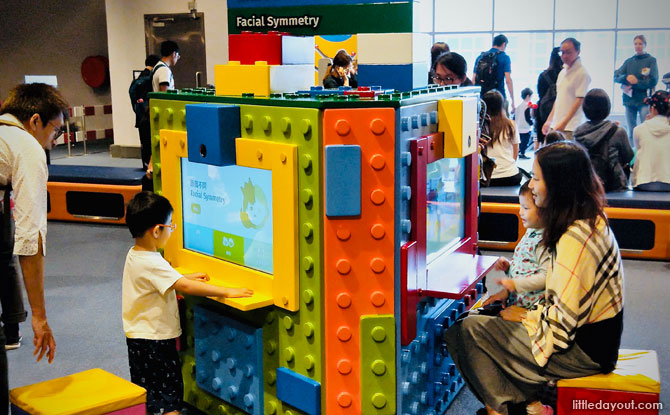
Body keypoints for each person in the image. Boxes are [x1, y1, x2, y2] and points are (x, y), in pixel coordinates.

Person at [444, 141, 624, 415]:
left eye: (537, 179)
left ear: (557, 185)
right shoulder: (589, 218)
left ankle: (505, 407)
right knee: (483, 323)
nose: (532, 186)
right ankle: (515, 405)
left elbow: (563, 328)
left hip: (584, 352)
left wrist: (526, 317)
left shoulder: (574, 239)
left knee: (466, 331)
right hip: (599, 342)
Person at [123, 191, 253, 415]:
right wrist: (227, 291)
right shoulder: (153, 262)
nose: (171, 230)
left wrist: (183, 277)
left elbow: (164, 280)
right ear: (156, 231)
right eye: (170, 226)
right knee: (169, 398)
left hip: (138, 341)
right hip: (156, 342)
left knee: (152, 396)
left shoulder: (136, 254)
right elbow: (186, 287)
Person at [0, 83, 66, 413]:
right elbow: (30, 238)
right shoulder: (26, 145)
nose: (55, 141)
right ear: (36, 121)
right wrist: (39, 317)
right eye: (56, 131)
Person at [486, 181, 549, 309]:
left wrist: (515, 284)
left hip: (530, 311)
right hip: (516, 302)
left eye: (526, 208)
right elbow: (528, 265)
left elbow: (546, 277)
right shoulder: (531, 231)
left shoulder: (545, 241)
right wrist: (509, 266)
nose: (520, 212)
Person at [574, 89, 633, 192]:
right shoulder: (617, 131)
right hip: (614, 184)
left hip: (587, 185)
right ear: (607, 108)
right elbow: (628, 157)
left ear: (585, 108)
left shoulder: (578, 133)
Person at [614, 35, 659, 147]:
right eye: (636, 44)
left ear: (644, 45)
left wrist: (637, 82)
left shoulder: (651, 61)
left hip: (644, 101)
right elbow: (616, 75)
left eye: (640, 44)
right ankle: (632, 155)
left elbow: (653, 80)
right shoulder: (629, 62)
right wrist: (625, 79)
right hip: (629, 101)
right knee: (631, 130)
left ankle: (646, 150)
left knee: (645, 128)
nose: (638, 46)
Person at [542, 38, 591, 141]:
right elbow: (558, 99)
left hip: (571, 127)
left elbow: (579, 101)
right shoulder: (562, 72)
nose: (564, 56)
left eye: (568, 52)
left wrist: (563, 123)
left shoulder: (582, 73)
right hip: (556, 124)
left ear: (578, 52)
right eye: (562, 52)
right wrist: (549, 120)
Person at [482, 90, 522, 186]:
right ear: (502, 105)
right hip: (511, 177)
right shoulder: (511, 124)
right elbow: (515, 155)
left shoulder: (480, 126)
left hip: (487, 178)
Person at [632, 90, 670, 191]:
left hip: (644, 183)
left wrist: (646, 123)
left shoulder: (639, 129)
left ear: (652, 108)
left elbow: (638, 150)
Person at [130, 54, 160, 179]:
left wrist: (137, 110)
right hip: (149, 115)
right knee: (152, 141)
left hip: (140, 116)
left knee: (144, 142)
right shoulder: (150, 78)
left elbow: (132, 94)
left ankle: (145, 164)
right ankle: (150, 167)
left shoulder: (138, 78)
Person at [473, 34, 515, 111]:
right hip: (499, 96)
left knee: (484, 120)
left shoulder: (480, 57)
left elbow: (474, 79)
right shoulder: (505, 57)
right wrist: (512, 100)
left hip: (483, 97)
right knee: (501, 121)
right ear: (504, 44)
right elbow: (508, 80)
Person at [534, 47, 562, 147]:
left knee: (545, 141)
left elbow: (540, 94)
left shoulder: (543, 75)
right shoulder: (564, 75)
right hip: (560, 111)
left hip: (544, 111)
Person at [514, 88, 534, 159]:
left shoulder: (519, 106)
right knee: (525, 142)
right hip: (525, 127)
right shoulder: (528, 106)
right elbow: (528, 117)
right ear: (528, 96)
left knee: (519, 141)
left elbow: (515, 116)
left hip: (518, 127)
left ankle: (518, 152)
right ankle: (522, 153)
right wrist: (531, 123)